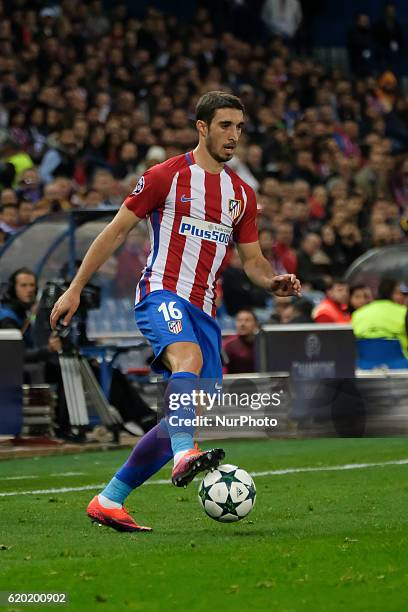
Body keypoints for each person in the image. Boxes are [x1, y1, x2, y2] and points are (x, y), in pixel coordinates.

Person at [50, 91, 301, 533]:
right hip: (162, 293)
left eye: (240, 127)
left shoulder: (240, 194)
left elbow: (254, 260)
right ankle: (186, 453)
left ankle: (110, 500)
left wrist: (273, 279)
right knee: (188, 364)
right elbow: (114, 232)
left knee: (185, 414)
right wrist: (74, 288)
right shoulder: (165, 176)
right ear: (202, 127)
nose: (234, 135)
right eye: (225, 125)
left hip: (206, 311)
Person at [352, 278, 408, 357]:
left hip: (364, 363)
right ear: (393, 293)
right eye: (400, 293)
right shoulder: (404, 312)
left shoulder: (358, 313)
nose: (403, 297)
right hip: (401, 363)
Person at [223, 309, 259, 374]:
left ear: (256, 324)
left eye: (247, 320)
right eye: (239, 320)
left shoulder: (262, 344)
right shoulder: (228, 344)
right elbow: (223, 370)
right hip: (234, 383)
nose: (242, 324)